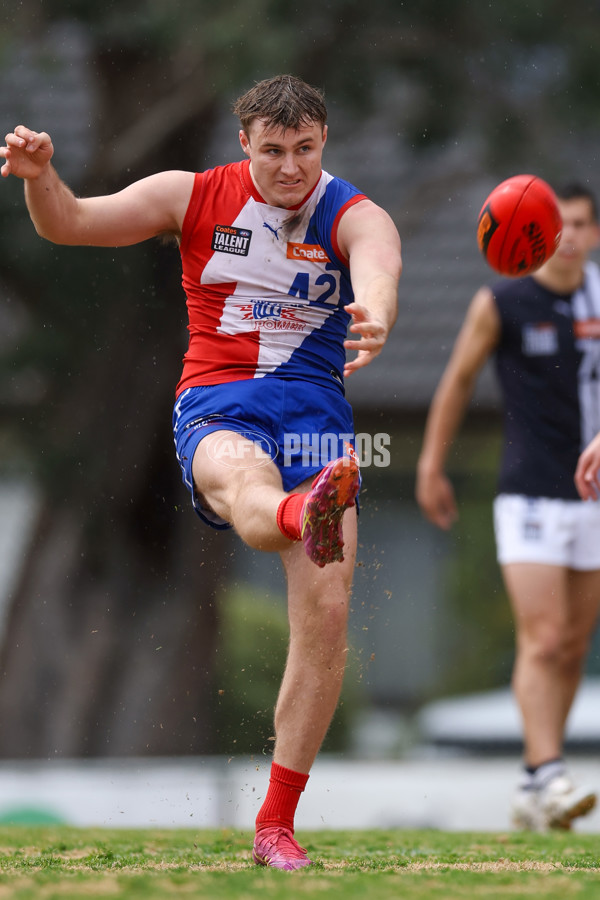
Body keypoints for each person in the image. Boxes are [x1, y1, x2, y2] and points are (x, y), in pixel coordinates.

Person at [1, 75, 402, 868]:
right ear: (244, 142)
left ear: (325, 143)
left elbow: (379, 263)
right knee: (248, 488)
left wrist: (378, 313)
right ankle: (301, 514)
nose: (292, 168)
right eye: (275, 151)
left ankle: (275, 824)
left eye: (307, 150)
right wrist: (43, 178)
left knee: (324, 616)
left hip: (319, 422)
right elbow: (72, 225)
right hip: (221, 405)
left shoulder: (353, 212)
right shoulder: (189, 196)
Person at [416, 182, 600, 832]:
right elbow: (458, 378)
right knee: (544, 637)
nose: (571, 236)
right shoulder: (503, 300)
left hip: (594, 499)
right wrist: (431, 462)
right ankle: (550, 771)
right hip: (527, 492)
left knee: (574, 645)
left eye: (581, 223)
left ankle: (532, 782)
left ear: (595, 233)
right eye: (562, 224)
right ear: (543, 230)